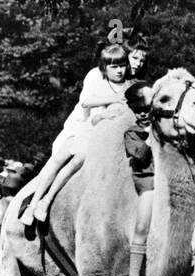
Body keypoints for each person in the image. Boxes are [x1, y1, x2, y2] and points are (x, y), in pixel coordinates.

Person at [19, 43, 133, 234]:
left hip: (101, 137)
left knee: (79, 157)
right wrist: (112, 101)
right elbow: (87, 103)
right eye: (114, 66)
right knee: (57, 159)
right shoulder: (101, 82)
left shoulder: (128, 87)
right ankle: (33, 203)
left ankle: (46, 201)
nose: (119, 70)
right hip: (86, 128)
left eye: (122, 65)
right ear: (105, 68)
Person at [120, 80, 155, 276]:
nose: (143, 113)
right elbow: (141, 156)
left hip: (166, 183)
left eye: (147, 108)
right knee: (141, 227)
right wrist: (152, 136)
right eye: (138, 109)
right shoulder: (132, 133)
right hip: (148, 183)